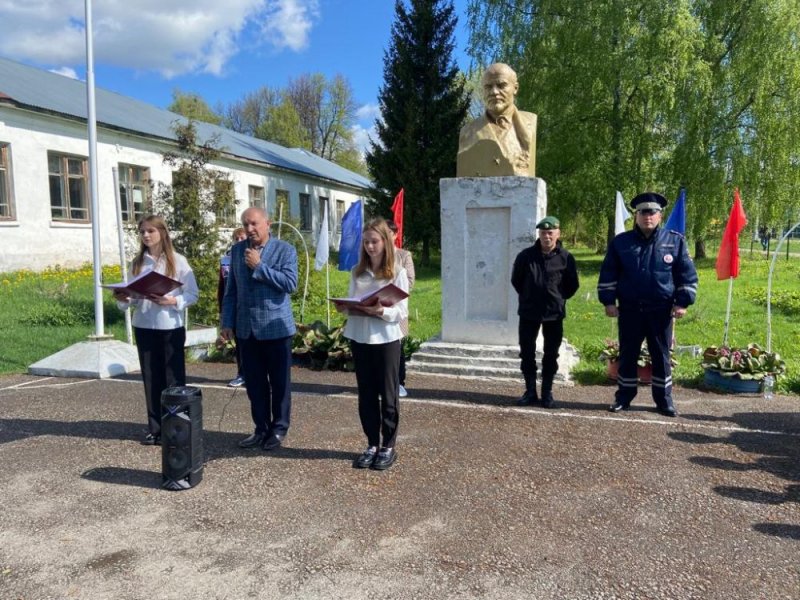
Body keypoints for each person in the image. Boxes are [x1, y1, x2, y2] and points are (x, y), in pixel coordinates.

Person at [597, 192, 698, 417]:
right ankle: (624, 397)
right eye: (643, 212)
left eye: (652, 212)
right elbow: (608, 273)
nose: (647, 216)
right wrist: (608, 301)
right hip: (630, 309)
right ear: (636, 216)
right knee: (628, 354)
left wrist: (682, 303)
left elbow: (687, 275)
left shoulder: (674, 241)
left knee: (661, 356)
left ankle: (664, 400)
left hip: (660, 311)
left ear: (660, 216)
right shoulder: (621, 243)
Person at [113, 215, 199, 445]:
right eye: (142, 232)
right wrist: (123, 298)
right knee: (151, 379)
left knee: (173, 380)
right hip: (144, 325)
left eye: (150, 231)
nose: (146, 235)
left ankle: (176, 428)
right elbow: (129, 299)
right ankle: (156, 428)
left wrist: (173, 301)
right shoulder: (138, 263)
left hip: (170, 326)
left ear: (162, 232)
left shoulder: (178, 261)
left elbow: (192, 294)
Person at [220, 207, 298, 451]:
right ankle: (261, 428)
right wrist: (227, 322)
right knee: (254, 384)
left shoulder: (285, 250)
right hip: (246, 330)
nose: (249, 229)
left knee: (280, 384)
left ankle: (279, 428)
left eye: (254, 223)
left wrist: (260, 267)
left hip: (276, 329)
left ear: (268, 224)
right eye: (245, 224)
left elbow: (290, 283)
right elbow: (231, 290)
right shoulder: (236, 251)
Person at [334, 218, 409, 471]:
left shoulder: (397, 271)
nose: (369, 246)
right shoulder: (357, 271)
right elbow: (354, 300)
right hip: (360, 337)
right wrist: (345, 306)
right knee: (366, 394)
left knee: (388, 394)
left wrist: (381, 312)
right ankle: (371, 444)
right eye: (366, 242)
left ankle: (388, 445)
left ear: (386, 242)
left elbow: (401, 311)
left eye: (374, 241)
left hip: (386, 338)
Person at [511, 216, 579, 408]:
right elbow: (517, 281)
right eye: (543, 233)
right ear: (538, 234)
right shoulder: (525, 256)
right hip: (529, 312)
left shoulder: (566, 257)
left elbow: (572, 284)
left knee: (551, 354)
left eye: (550, 233)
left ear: (558, 233)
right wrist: (529, 296)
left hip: (554, 314)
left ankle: (547, 392)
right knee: (527, 352)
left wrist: (557, 297)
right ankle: (530, 391)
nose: (546, 236)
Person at [457, 62, 537, 178]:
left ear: (515, 88)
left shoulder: (530, 123)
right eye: (488, 87)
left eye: (501, 85)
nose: (494, 92)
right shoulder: (467, 132)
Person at [386, 219, 415, 398]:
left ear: (395, 235)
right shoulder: (373, 256)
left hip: (397, 308)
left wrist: (388, 294)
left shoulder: (404, 255)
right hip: (376, 310)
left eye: (389, 233)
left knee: (397, 347)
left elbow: (410, 281)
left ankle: (399, 383)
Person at [217, 227, 248, 387]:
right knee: (240, 344)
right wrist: (222, 312)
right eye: (237, 239)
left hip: (248, 309)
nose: (240, 241)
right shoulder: (226, 260)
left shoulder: (254, 257)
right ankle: (241, 373)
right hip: (232, 308)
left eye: (243, 238)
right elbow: (222, 288)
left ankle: (258, 374)